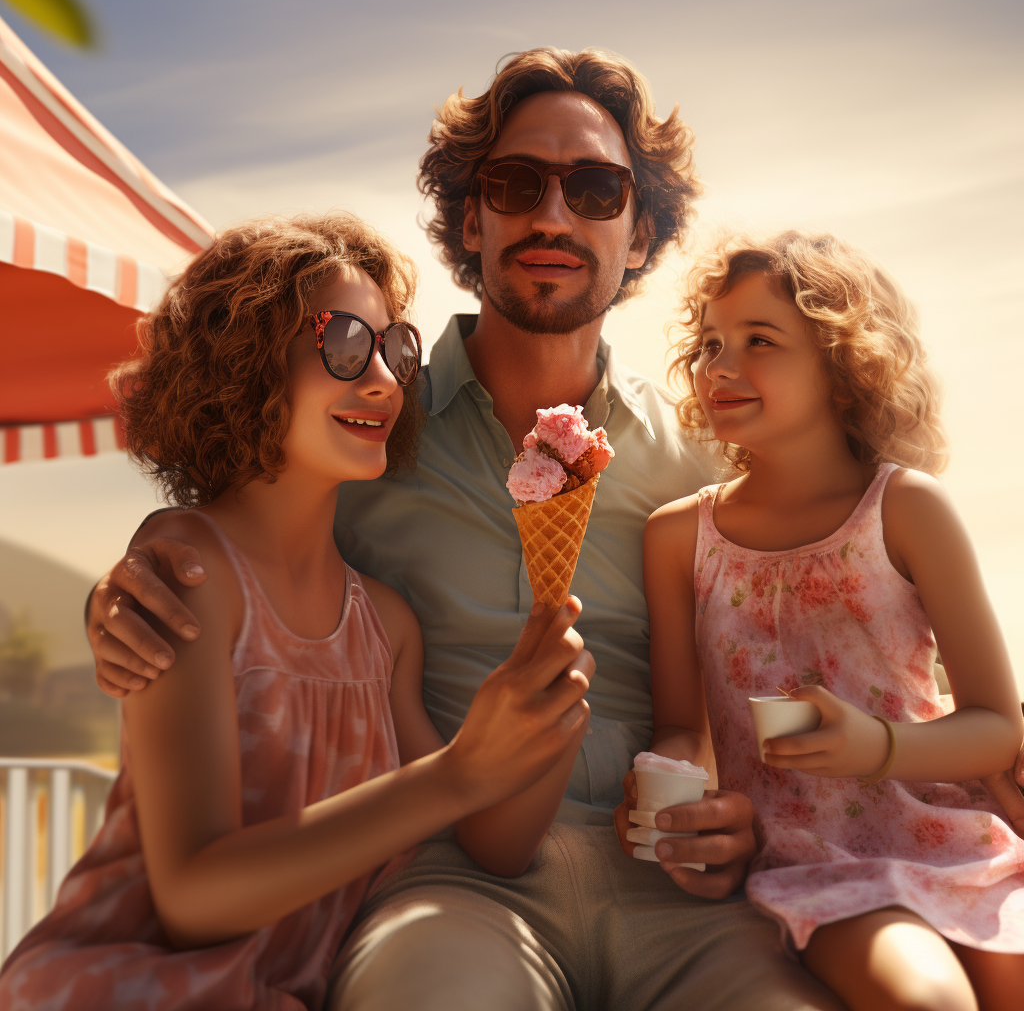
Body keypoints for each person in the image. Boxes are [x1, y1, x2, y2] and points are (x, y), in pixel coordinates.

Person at [86, 50, 844, 1009]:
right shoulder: (368, 428)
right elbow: (239, 531)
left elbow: (810, 638)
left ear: (642, 232)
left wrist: (732, 813)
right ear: (472, 218)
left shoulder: (704, 460)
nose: (553, 217)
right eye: (515, 184)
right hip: (446, 880)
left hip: (678, 891)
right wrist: (129, 582)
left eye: (596, 189)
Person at [0, 213, 598, 1010]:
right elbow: (191, 901)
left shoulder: (386, 626)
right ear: (244, 363)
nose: (384, 378)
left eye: (395, 349)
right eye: (345, 344)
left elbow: (493, 841)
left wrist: (547, 711)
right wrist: (454, 776)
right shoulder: (189, 568)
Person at [639, 229, 1024, 1010]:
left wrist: (875, 746)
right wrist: (672, 801)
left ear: (846, 371)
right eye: (711, 343)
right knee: (928, 1002)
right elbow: (682, 726)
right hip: (816, 861)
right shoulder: (679, 536)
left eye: (760, 341)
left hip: (955, 839)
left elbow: (995, 725)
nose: (721, 365)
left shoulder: (907, 508)